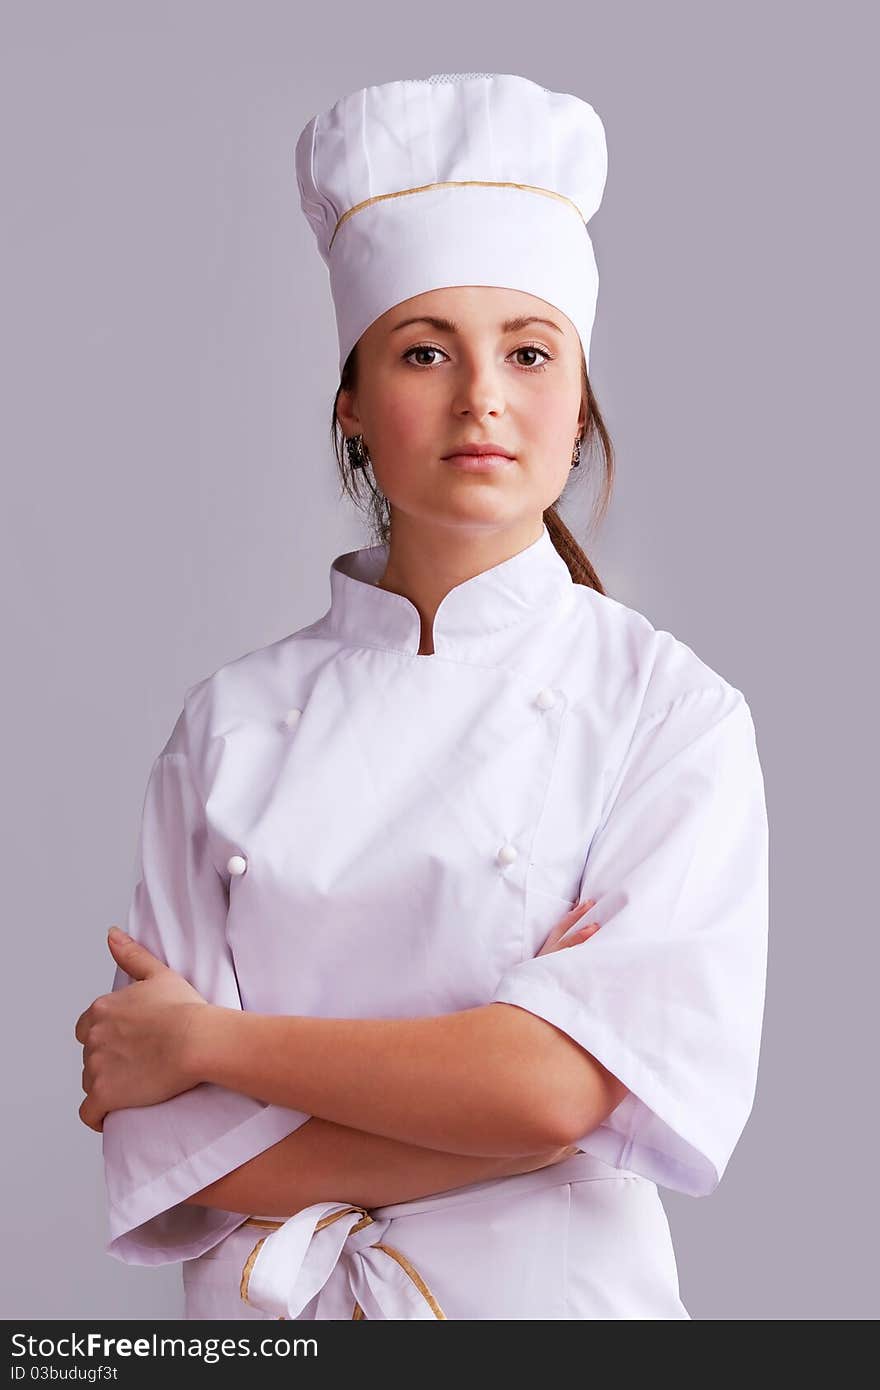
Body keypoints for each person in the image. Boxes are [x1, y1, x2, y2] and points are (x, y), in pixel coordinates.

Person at [74, 72, 769, 1321]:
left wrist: (211, 1045)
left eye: (528, 351)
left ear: (576, 411)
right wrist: (514, 1104)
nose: (481, 395)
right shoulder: (225, 729)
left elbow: (552, 1090)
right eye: (424, 349)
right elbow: (156, 1152)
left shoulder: (666, 713)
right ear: (351, 405)